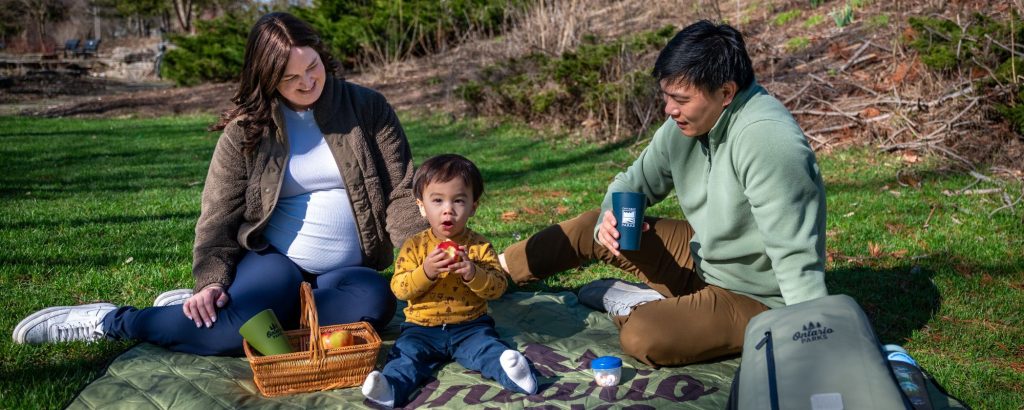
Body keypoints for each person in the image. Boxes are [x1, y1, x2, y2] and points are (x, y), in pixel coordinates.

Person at [12, 12, 427, 356]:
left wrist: (421, 257)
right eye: (289, 76)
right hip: (276, 262)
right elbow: (218, 215)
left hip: (348, 274)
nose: (306, 82)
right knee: (231, 334)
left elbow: (402, 194)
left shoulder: (367, 108)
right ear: (266, 77)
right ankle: (113, 320)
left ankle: (252, 312)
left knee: (377, 303)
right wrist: (210, 281)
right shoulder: (247, 131)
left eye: (312, 66)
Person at [498, 20, 829, 367]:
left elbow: (795, 258)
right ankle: (489, 274)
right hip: (705, 257)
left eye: (681, 99)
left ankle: (640, 304)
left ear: (726, 92)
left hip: (755, 296)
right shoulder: (684, 126)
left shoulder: (767, 141)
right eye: (667, 96)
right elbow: (630, 185)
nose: (669, 109)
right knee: (590, 226)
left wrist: (813, 335)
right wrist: (612, 222)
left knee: (644, 335)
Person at [361, 154, 537, 408]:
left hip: (470, 326)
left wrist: (472, 273)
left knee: (488, 350)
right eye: (437, 200)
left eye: (458, 201)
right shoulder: (415, 247)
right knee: (405, 356)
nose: (448, 209)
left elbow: (498, 287)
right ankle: (389, 387)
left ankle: (515, 374)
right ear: (421, 206)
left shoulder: (479, 246)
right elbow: (399, 288)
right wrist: (427, 271)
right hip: (421, 328)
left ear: (473, 206)